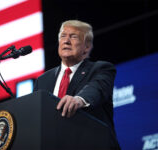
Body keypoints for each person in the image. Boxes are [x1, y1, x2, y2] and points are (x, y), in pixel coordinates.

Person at [33, 20, 120, 148]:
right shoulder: (43, 80)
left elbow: (97, 88)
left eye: (73, 36)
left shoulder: (101, 69)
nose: (66, 41)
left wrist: (78, 100)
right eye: (63, 36)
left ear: (86, 47)